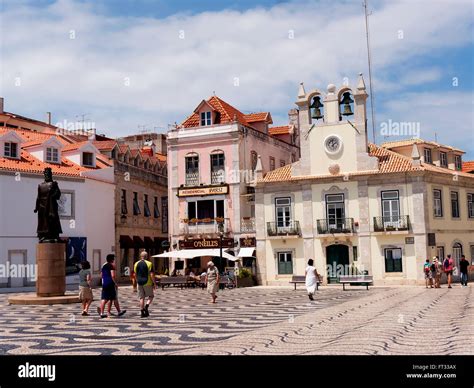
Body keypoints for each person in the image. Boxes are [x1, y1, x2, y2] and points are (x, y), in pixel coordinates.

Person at [97, 254, 126, 318]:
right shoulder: (111, 266)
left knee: (104, 298)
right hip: (110, 283)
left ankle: (102, 312)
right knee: (114, 297)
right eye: (113, 259)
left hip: (104, 283)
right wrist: (115, 283)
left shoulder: (103, 265)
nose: (114, 260)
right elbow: (113, 275)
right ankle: (119, 312)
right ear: (112, 259)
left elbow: (101, 275)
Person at [134, 251, 156, 318]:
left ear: (140, 256)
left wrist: (137, 280)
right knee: (151, 296)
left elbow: (135, 274)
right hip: (148, 282)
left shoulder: (136, 263)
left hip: (139, 282)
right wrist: (154, 283)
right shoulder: (149, 263)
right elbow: (151, 274)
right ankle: (146, 306)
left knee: (141, 297)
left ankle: (142, 312)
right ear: (147, 256)